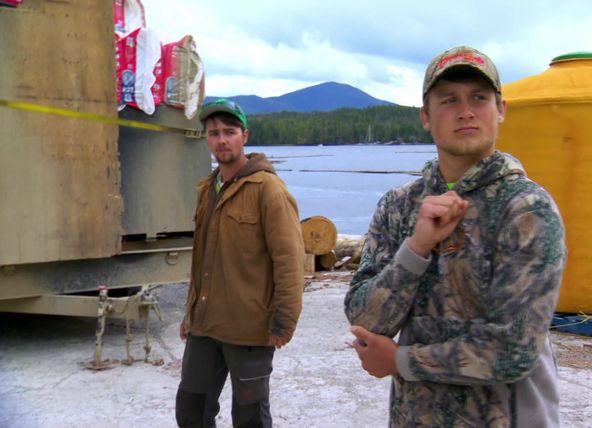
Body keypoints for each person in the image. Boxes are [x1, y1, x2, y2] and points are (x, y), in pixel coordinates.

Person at [344, 46, 567, 427]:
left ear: (500, 110)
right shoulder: (399, 206)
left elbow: (514, 350)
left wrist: (399, 360)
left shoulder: (526, 209)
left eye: (478, 98)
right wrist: (416, 249)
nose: (465, 111)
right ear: (426, 117)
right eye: (449, 100)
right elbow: (365, 319)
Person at [176, 99, 305, 428]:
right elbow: (202, 258)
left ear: (244, 136)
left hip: (250, 329)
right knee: (190, 411)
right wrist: (191, 311)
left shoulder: (268, 189)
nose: (222, 140)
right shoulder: (208, 189)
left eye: (229, 132)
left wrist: (284, 321)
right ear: (206, 139)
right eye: (214, 133)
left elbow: (289, 260)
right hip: (205, 326)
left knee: (249, 419)